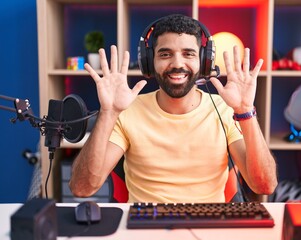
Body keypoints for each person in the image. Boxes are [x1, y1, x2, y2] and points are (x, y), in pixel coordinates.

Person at [69, 14, 277, 203]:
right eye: (165, 54)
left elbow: (264, 186)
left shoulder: (226, 110)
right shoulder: (128, 111)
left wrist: (245, 110)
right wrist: (109, 113)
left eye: (188, 54)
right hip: (145, 226)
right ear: (149, 62)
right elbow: (82, 188)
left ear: (205, 62)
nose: (178, 64)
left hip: (209, 225)